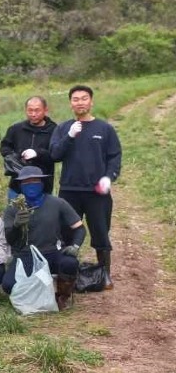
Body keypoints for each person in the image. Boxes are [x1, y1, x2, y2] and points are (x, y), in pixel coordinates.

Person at [50, 85, 122, 290]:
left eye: (84, 98)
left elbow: (114, 157)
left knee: (100, 231)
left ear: (91, 102)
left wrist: (109, 177)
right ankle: (66, 274)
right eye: (75, 99)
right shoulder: (63, 128)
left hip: (96, 192)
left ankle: (104, 273)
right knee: (66, 232)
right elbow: (54, 154)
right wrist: (70, 136)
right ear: (70, 103)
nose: (80, 102)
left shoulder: (105, 129)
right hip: (69, 190)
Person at [2, 166, 86, 310]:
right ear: (20, 185)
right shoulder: (13, 208)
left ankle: (61, 296)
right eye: (26, 182)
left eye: (35, 181)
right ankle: (37, 292)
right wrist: (16, 225)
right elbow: (10, 240)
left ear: (42, 183)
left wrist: (75, 246)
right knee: (9, 285)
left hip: (53, 251)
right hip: (25, 254)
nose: (31, 185)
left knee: (70, 263)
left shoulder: (57, 203)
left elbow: (79, 228)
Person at [0, 96, 57, 198]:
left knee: (42, 213)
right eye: (30, 111)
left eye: (37, 110)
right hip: (17, 186)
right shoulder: (16, 129)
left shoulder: (54, 130)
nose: (33, 114)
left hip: (43, 186)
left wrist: (38, 153)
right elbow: (5, 147)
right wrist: (16, 157)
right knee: (15, 213)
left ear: (45, 110)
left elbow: (56, 154)